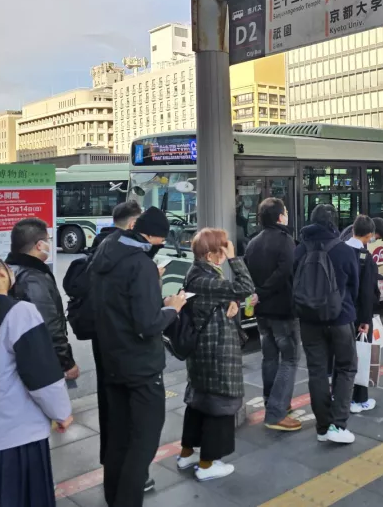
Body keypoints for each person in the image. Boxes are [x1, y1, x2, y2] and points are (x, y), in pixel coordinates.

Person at [0, 254, 73, 507]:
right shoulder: (20, 311)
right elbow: (41, 374)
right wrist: (61, 412)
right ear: (0, 271)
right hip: (15, 436)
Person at [89, 206, 188, 507]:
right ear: (151, 236)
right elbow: (148, 324)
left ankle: (113, 496)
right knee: (143, 443)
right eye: (159, 241)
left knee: (118, 436)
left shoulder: (105, 251)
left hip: (111, 360)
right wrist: (173, 307)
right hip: (141, 365)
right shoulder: (140, 266)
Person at [179, 228, 255, 481]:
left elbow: (218, 299)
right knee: (219, 406)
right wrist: (236, 259)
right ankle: (208, 464)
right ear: (211, 254)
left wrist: (229, 303)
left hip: (204, 352)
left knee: (199, 404)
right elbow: (245, 286)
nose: (225, 255)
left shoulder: (199, 273)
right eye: (222, 250)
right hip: (216, 353)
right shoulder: (203, 278)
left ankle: (187, 453)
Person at [294, 204, 360, 444]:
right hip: (340, 318)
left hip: (309, 321)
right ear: (334, 222)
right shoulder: (343, 250)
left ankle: (322, 427)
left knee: (317, 371)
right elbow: (355, 285)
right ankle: (338, 424)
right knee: (345, 367)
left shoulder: (299, 249)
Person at [243, 198, 301, 433]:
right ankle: (277, 412)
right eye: (285, 212)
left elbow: (246, 274)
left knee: (269, 358)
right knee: (290, 358)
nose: (287, 215)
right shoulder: (285, 240)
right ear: (280, 217)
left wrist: (257, 295)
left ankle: (273, 401)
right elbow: (285, 272)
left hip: (261, 312)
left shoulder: (253, 243)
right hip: (282, 310)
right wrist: (264, 292)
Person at [6, 218, 77, 380]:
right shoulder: (33, 278)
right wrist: (66, 362)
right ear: (39, 245)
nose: (49, 245)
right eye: (48, 240)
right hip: (40, 361)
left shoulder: (10, 269)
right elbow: (49, 324)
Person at [344, 215, 381, 412]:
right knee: (361, 355)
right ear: (369, 236)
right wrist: (366, 319)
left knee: (342, 356)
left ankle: (342, 397)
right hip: (359, 315)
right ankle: (360, 399)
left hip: (340, 314)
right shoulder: (366, 259)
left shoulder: (339, 251)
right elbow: (367, 293)